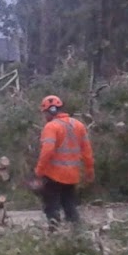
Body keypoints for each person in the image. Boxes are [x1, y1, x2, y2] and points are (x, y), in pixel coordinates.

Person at [34, 94, 95, 230]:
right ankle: (77, 234)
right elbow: (87, 151)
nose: (45, 116)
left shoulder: (51, 127)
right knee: (70, 206)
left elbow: (47, 151)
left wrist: (39, 171)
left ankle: (55, 235)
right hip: (72, 176)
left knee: (52, 207)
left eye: (45, 113)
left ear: (50, 111)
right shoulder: (79, 125)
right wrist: (90, 170)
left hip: (53, 176)